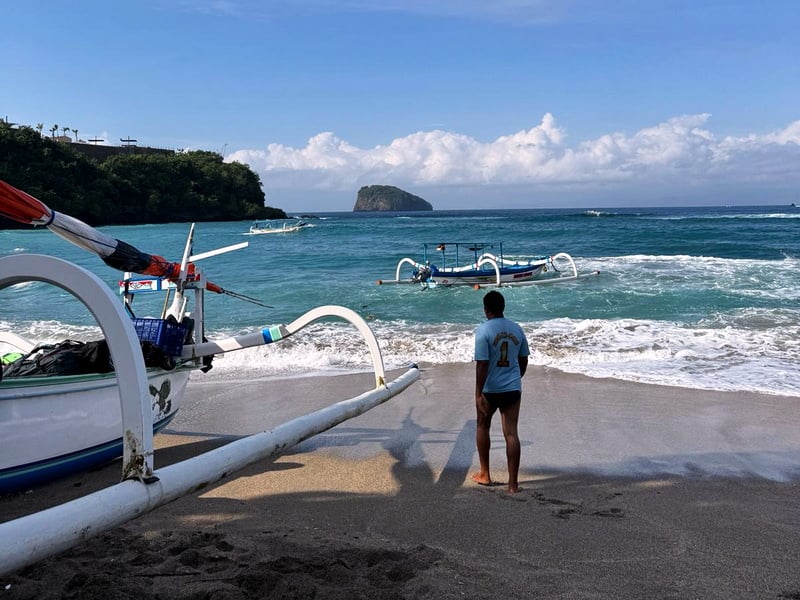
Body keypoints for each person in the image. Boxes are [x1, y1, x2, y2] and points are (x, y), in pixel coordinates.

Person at [472, 290, 529, 493]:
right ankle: (513, 485)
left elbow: (482, 364)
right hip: (512, 388)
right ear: (503, 307)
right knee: (511, 433)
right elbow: (523, 360)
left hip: (490, 388)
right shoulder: (517, 329)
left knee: (482, 426)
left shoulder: (483, 331)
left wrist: (478, 393)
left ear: (486, 309)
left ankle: (485, 474)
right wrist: (515, 378)